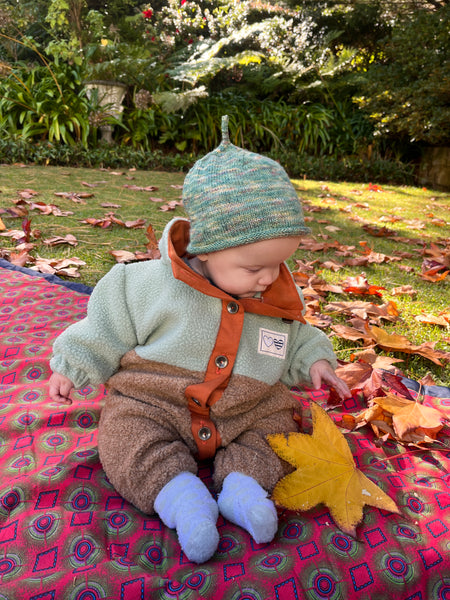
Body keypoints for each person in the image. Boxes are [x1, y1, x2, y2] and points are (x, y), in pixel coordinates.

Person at [49, 115, 350, 563]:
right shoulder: (144, 286)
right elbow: (105, 326)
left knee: (280, 426)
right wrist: (75, 362)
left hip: (245, 409)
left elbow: (294, 338)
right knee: (124, 436)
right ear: (205, 249)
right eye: (254, 268)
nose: (269, 279)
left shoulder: (272, 295)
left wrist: (315, 362)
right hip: (155, 403)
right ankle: (179, 494)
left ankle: (242, 488)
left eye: (280, 264)